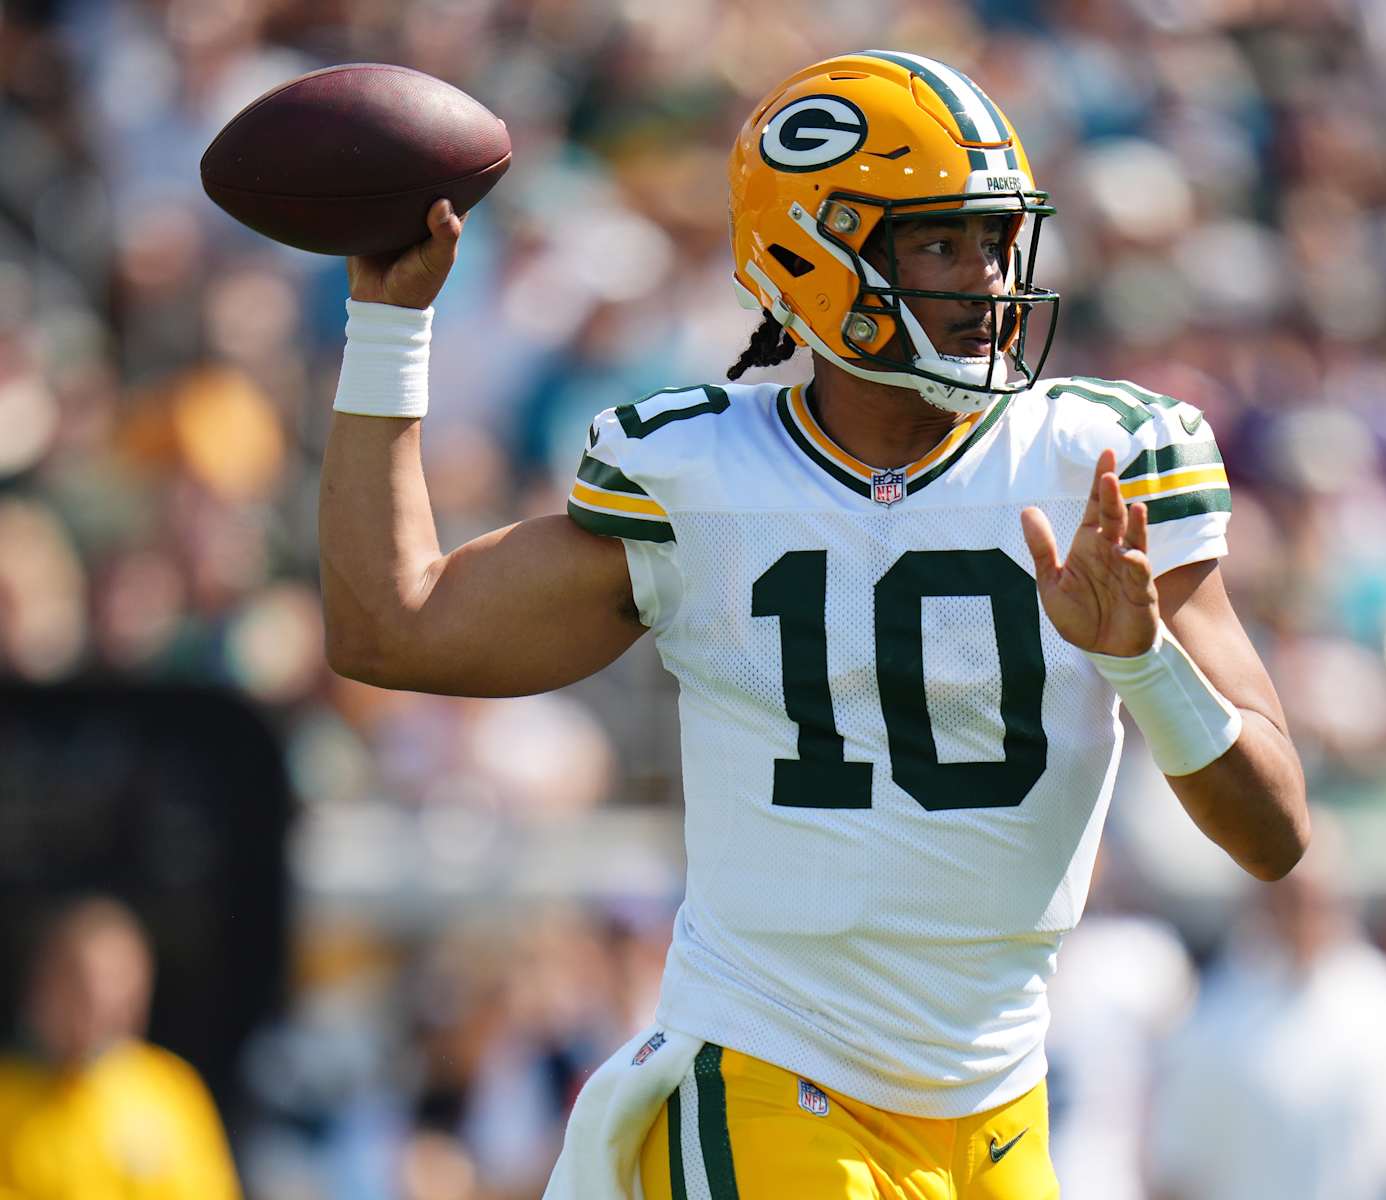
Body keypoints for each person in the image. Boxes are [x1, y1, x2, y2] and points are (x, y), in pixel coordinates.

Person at [319, 50, 1308, 1199]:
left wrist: (1144, 664)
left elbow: (1275, 833)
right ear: (813, 256)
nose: (988, 280)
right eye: (941, 243)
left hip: (997, 1104)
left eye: (996, 240)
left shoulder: (1100, 463)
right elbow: (394, 628)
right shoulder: (698, 473)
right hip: (770, 1068)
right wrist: (389, 331)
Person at [1146, 820, 1386, 1200]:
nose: (1305, 915)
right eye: (1289, 898)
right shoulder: (1203, 1022)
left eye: (1319, 899)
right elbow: (1177, 1175)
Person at [0, 896, 241, 1199]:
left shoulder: (171, 1091)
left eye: (118, 983)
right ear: (42, 987)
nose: (100, 1002)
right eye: (79, 984)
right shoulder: (7, 1096)